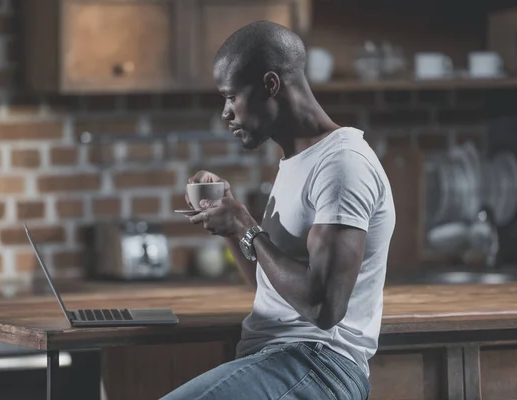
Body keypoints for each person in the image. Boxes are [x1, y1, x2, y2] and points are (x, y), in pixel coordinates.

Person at [161, 20, 395, 400]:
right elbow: (273, 287)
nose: (225, 113)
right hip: (281, 360)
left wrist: (247, 226)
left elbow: (324, 307)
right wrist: (233, 226)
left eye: (231, 96)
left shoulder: (342, 165)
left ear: (271, 85)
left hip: (319, 365)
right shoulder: (297, 162)